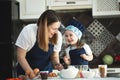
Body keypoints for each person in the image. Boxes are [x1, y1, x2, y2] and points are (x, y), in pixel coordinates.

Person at [15, 10, 63, 78]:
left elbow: (54, 56)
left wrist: (57, 64)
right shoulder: (29, 31)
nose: (56, 32)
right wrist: (31, 74)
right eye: (53, 28)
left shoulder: (58, 35)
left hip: (46, 75)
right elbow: (20, 57)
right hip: (26, 75)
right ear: (44, 26)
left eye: (57, 29)